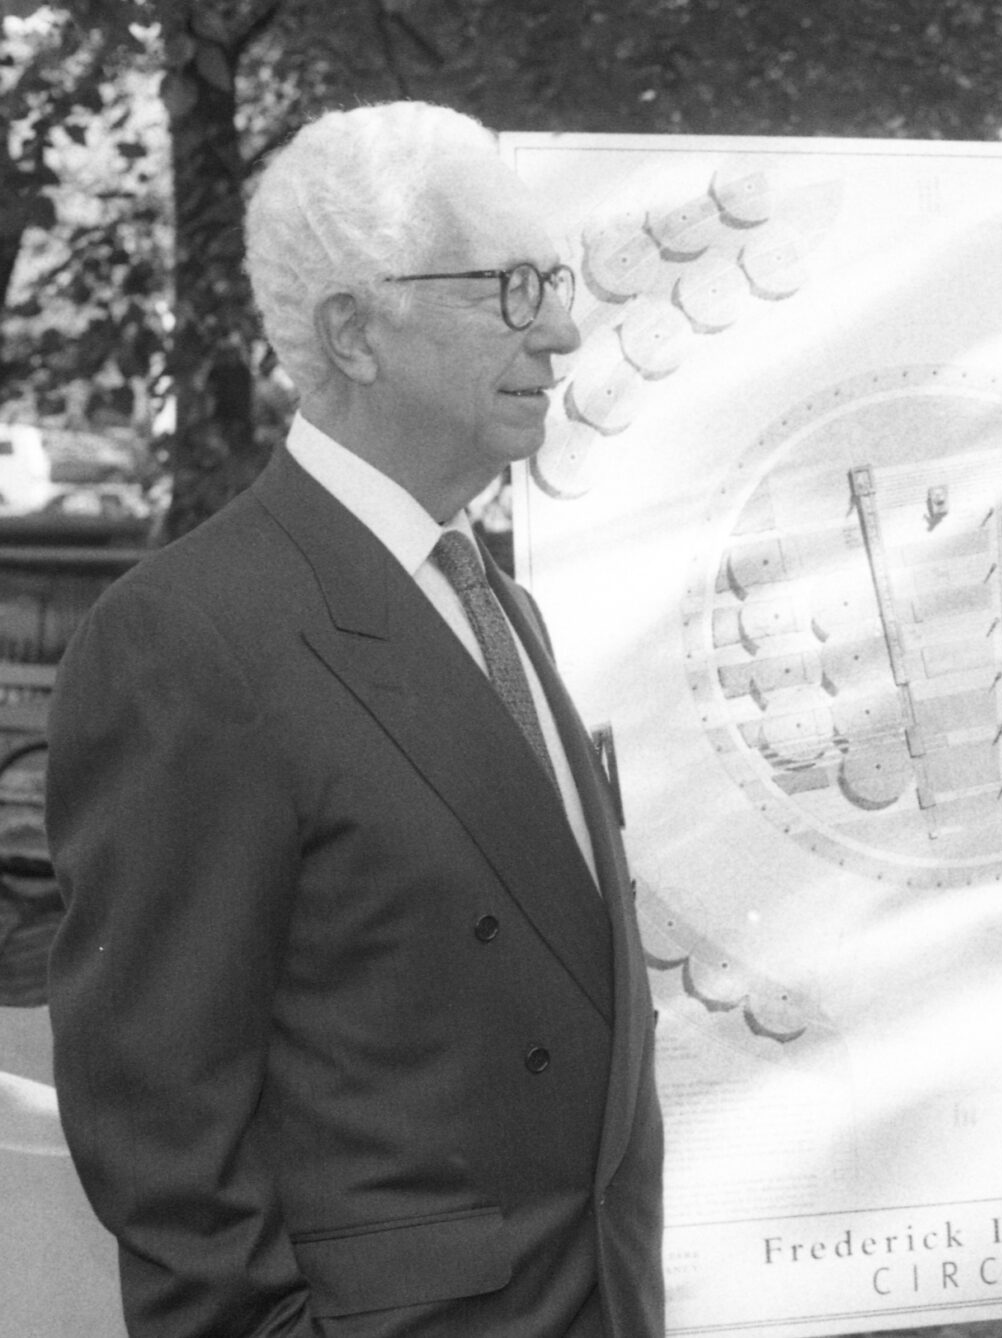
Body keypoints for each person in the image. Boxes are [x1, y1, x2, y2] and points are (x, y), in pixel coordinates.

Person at [46, 101, 664, 1337]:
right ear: (355, 331)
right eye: (510, 286)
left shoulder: (492, 604)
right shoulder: (190, 637)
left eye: (553, 279)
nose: (563, 325)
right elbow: (164, 1129)